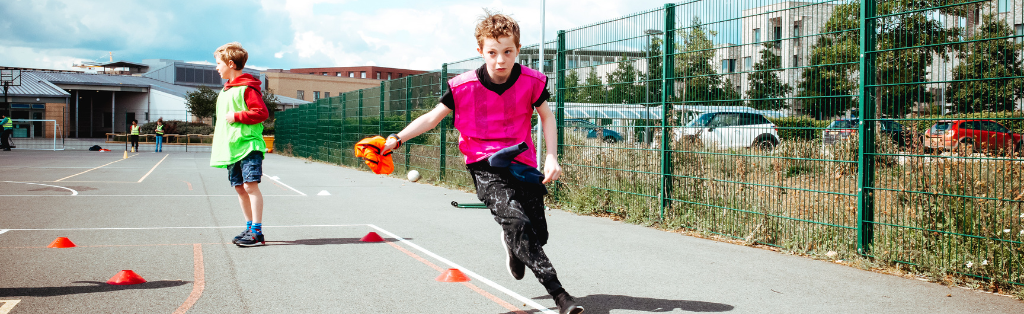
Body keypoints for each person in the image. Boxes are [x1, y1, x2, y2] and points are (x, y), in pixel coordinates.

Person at [382, 11, 583, 314]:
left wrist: (551, 156)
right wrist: (396, 139)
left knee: (537, 235)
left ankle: (512, 243)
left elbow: (547, 117)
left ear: (517, 49)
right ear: (480, 51)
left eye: (508, 52)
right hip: (485, 164)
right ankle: (561, 296)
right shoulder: (462, 86)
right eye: (492, 53)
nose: (500, 60)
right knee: (517, 222)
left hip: (522, 160)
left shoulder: (531, 82)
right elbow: (431, 118)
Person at [210, 42, 270, 247]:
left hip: (248, 145)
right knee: (239, 188)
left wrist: (237, 115)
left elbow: (261, 113)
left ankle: (257, 231)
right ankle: (249, 226)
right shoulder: (225, 91)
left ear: (231, 63)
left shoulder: (247, 88)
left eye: (218, 63)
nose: (216, 67)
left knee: (250, 186)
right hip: (232, 148)